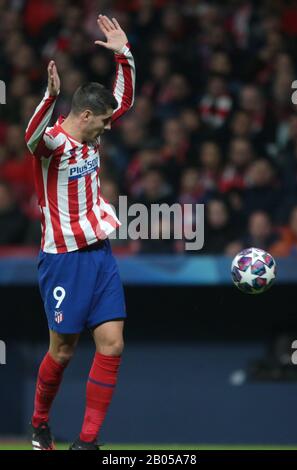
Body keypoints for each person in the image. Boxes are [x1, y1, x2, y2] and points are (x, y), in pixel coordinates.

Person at [25, 15, 135, 450]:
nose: (110, 127)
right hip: (63, 260)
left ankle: (88, 442)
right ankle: (39, 424)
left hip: (100, 254)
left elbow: (123, 100)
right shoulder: (53, 145)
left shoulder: (92, 137)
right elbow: (31, 138)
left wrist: (124, 54)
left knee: (112, 344)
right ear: (84, 115)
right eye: (104, 121)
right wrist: (48, 98)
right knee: (63, 352)